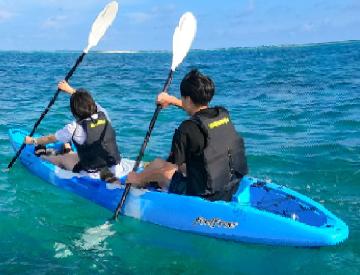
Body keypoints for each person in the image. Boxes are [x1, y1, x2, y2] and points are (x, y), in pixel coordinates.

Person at [124, 68, 248, 201]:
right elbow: (200, 113)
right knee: (185, 163)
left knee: (158, 165)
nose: (181, 101)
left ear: (188, 99)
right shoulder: (222, 114)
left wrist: (139, 177)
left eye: (182, 98)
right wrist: (172, 101)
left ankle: (137, 184)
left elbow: (167, 171)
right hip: (231, 185)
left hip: (206, 196)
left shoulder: (186, 128)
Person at [23, 79, 122, 176]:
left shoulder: (74, 127)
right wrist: (71, 90)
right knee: (78, 155)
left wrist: (32, 141)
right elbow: (92, 103)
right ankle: (68, 148)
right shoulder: (104, 114)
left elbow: (50, 139)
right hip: (116, 168)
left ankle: (42, 156)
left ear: (75, 112)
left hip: (94, 175)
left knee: (63, 159)